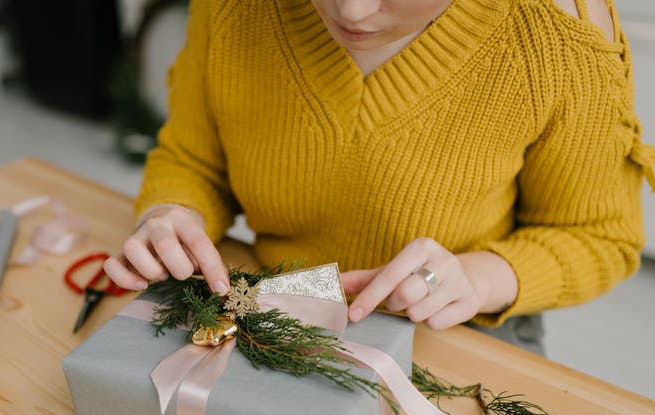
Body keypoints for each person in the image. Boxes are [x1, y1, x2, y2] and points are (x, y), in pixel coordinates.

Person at [104, 0, 654, 354]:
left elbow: (598, 237)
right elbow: (193, 160)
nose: (353, 11)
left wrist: (479, 278)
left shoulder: (563, 43)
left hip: (460, 333)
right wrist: (172, 212)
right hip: (274, 306)